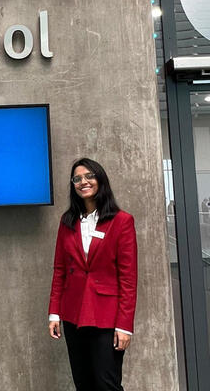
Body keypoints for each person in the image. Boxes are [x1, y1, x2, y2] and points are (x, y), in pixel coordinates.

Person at [48, 158, 137, 391]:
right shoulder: (67, 221)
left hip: (106, 316)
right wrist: (54, 313)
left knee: (107, 384)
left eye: (89, 176)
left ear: (100, 179)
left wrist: (125, 326)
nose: (83, 182)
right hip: (73, 314)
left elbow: (128, 278)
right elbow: (59, 270)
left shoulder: (121, 221)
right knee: (83, 383)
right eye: (77, 178)